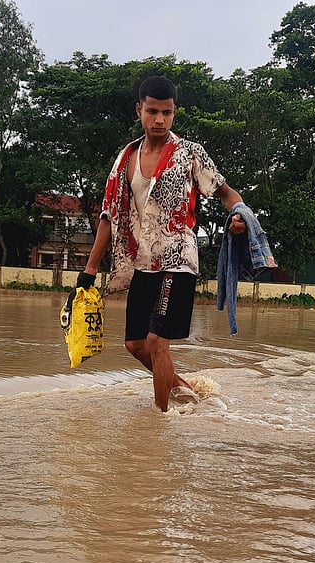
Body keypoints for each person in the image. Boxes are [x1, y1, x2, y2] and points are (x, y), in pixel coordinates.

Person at [74, 76, 249, 412]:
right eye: (152, 111)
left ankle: (160, 418)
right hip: (142, 261)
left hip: (178, 258)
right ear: (139, 109)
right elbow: (109, 217)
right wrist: (90, 268)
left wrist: (239, 216)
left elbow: (226, 193)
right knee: (134, 344)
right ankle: (184, 389)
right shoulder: (125, 158)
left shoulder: (189, 153)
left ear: (174, 113)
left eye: (166, 113)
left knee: (156, 342)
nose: (159, 120)